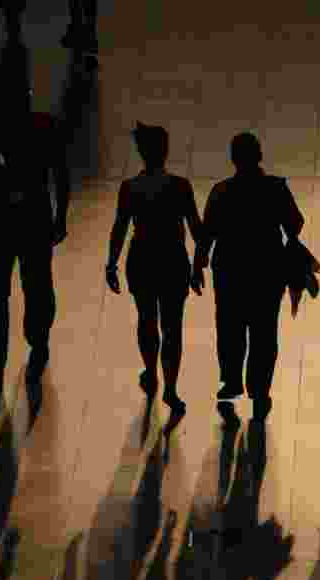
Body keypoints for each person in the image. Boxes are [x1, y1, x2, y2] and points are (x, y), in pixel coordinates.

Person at [0, 53, 69, 393]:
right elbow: (60, 176)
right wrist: (60, 217)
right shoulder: (45, 127)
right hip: (34, 220)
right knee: (36, 285)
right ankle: (38, 337)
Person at [192, 133, 305, 421]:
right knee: (264, 330)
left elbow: (207, 234)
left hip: (230, 269)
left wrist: (197, 266)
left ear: (233, 158)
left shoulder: (221, 191)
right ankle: (259, 387)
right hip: (268, 268)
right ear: (259, 155)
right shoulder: (275, 187)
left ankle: (231, 380)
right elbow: (296, 222)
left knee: (230, 328)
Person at [106, 123, 203, 414]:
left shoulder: (130, 188)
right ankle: (171, 388)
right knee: (172, 327)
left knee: (146, 318)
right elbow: (196, 229)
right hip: (173, 260)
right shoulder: (180, 186)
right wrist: (199, 265)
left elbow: (120, 228)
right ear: (165, 150)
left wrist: (111, 263)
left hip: (142, 260)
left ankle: (150, 371)